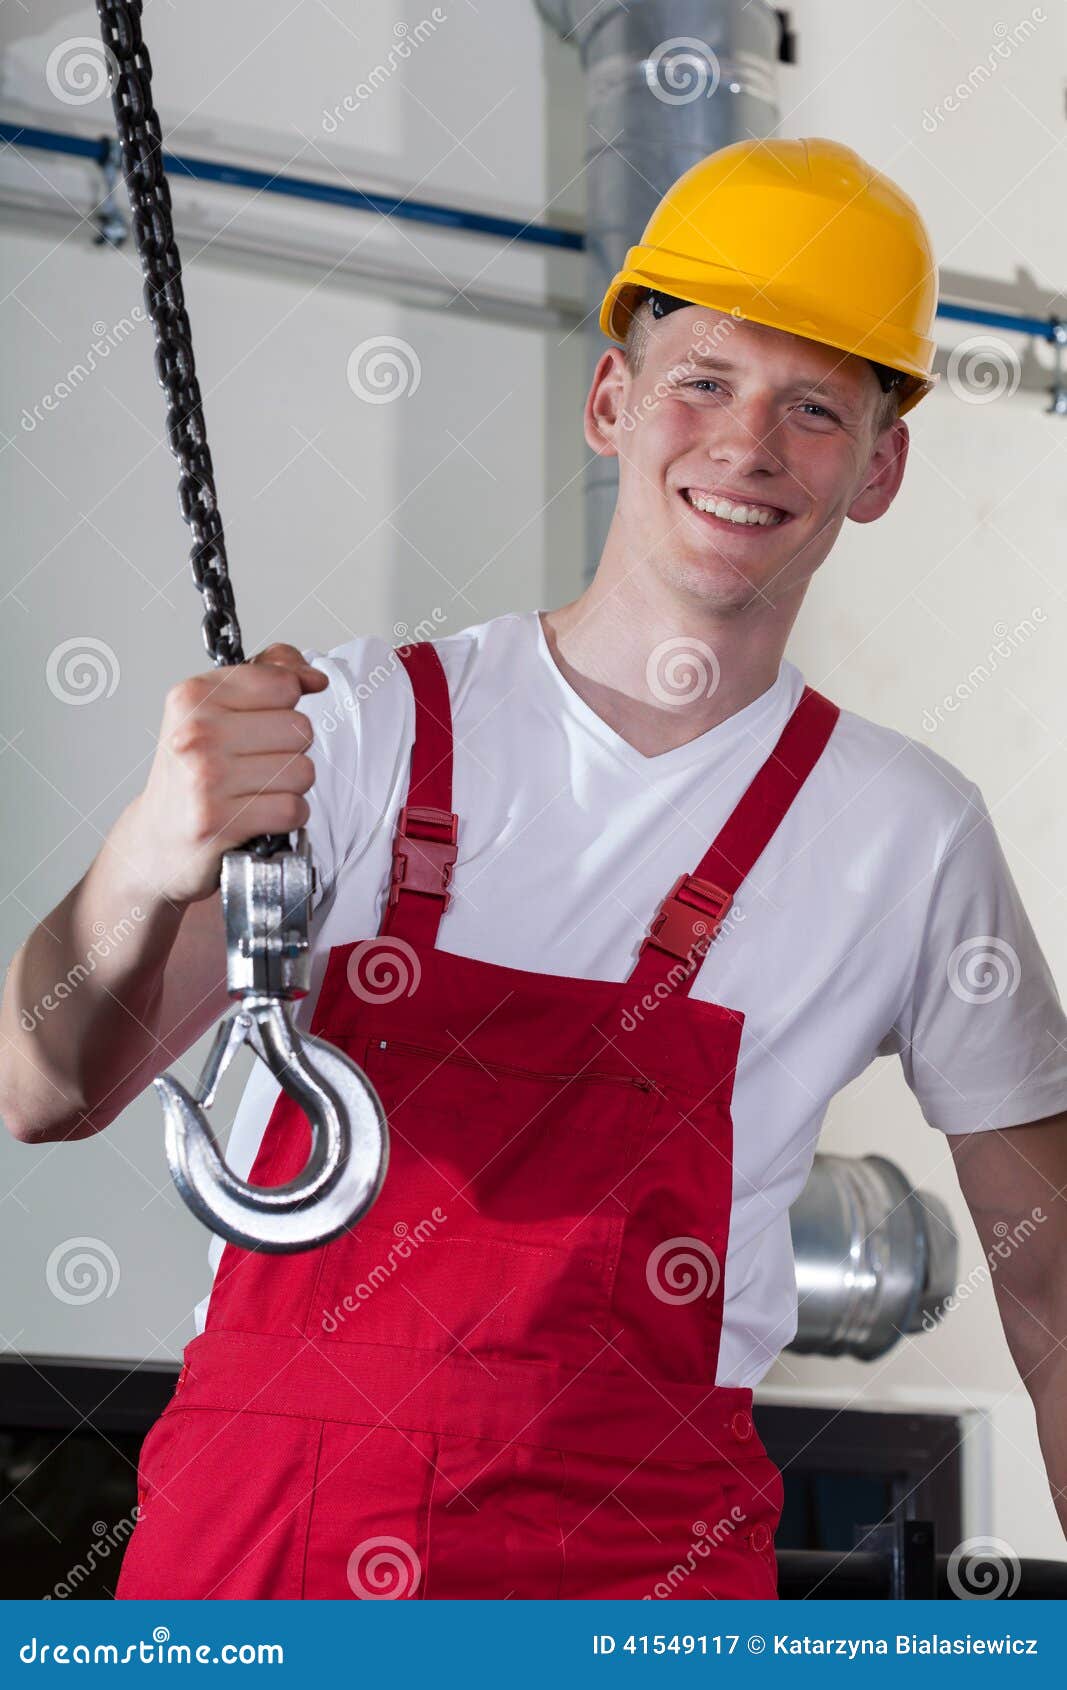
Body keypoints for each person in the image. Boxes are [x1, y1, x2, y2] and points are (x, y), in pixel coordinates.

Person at [3, 137, 1066, 1600]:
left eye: (816, 406)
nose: (748, 445)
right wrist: (145, 858)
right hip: (266, 1569)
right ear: (612, 398)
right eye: (704, 380)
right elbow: (43, 1088)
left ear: (878, 467)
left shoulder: (910, 835)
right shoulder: (353, 731)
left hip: (638, 1585)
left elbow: (1052, 1290)